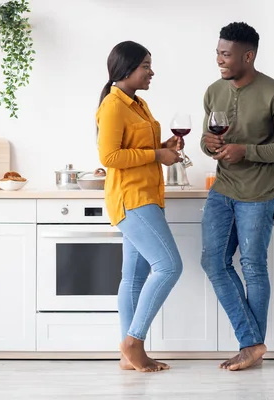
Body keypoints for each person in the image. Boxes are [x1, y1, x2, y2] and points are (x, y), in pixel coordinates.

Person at [200, 22, 274, 371]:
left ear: (249, 55)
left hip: (259, 194)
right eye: (218, 52)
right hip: (222, 190)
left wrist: (247, 151)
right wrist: (208, 144)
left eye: (226, 54)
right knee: (213, 263)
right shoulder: (214, 91)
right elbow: (206, 139)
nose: (219, 59)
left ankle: (250, 348)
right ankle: (252, 344)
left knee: (254, 268)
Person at [97, 41, 184, 373]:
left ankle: (126, 354)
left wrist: (163, 147)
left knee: (133, 277)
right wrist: (156, 155)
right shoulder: (113, 106)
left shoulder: (138, 104)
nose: (151, 71)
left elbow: (136, 148)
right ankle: (133, 342)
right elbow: (109, 157)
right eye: (146, 65)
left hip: (146, 196)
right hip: (132, 199)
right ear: (126, 69)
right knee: (169, 266)